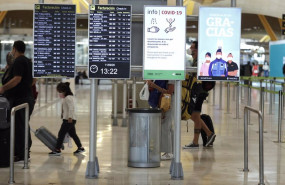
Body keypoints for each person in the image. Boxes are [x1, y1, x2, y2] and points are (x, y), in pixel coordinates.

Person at [0, 41, 35, 162]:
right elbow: (33, 79)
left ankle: (22, 154)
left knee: (20, 127)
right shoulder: (28, 61)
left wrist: (3, 88)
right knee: (22, 125)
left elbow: (17, 79)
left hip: (21, 100)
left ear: (14, 49)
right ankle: (23, 153)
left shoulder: (19, 61)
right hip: (26, 98)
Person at [183, 41, 216, 149]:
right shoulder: (195, 61)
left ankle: (208, 133)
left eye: (192, 47)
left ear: (196, 49)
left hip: (198, 92)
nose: (190, 49)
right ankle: (196, 141)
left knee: (194, 115)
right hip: (199, 91)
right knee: (195, 115)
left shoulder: (199, 62)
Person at [49, 82, 85, 156]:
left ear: (64, 91)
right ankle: (80, 147)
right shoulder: (68, 97)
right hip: (70, 119)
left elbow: (71, 108)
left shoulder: (68, 98)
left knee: (61, 134)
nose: (59, 93)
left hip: (69, 120)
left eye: (59, 92)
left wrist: (70, 117)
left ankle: (57, 149)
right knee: (73, 134)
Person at [147, 80, 174, 160]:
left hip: (167, 103)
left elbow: (169, 92)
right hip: (161, 102)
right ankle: (169, 151)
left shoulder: (171, 76)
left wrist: (155, 86)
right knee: (165, 127)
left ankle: (168, 152)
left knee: (166, 127)